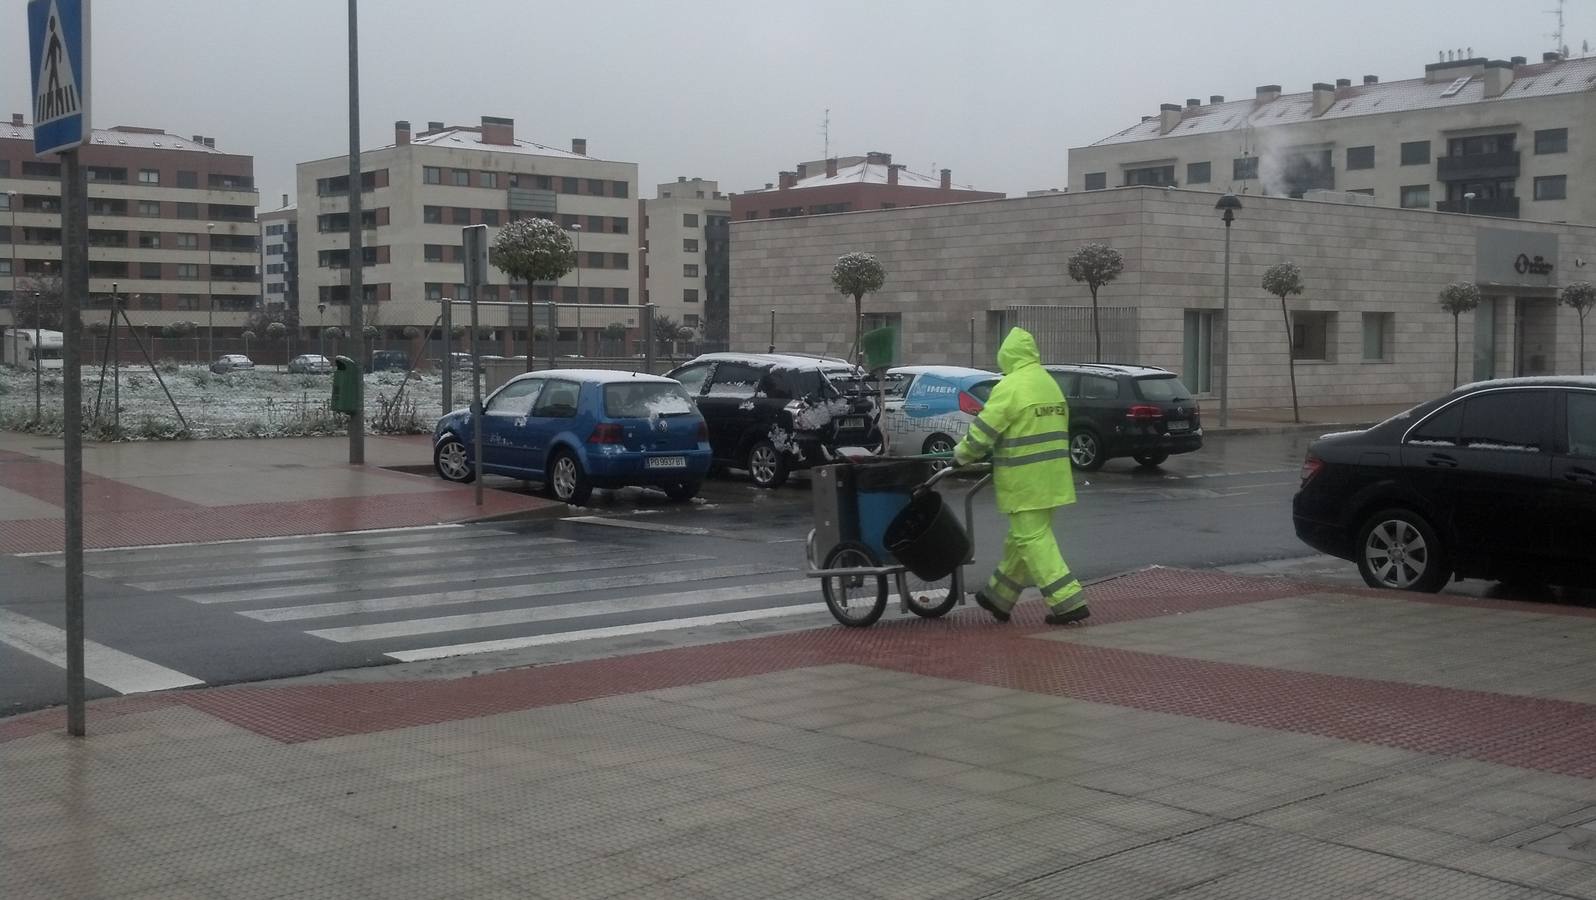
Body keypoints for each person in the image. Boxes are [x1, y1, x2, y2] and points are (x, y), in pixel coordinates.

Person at [953, 327, 1087, 625]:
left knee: (1032, 539)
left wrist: (961, 455)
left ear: (1007, 356)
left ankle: (1067, 600)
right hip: (1053, 477)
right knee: (1021, 540)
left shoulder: (1011, 386)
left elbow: (985, 430)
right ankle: (998, 597)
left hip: (1024, 478)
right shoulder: (1048, 384)